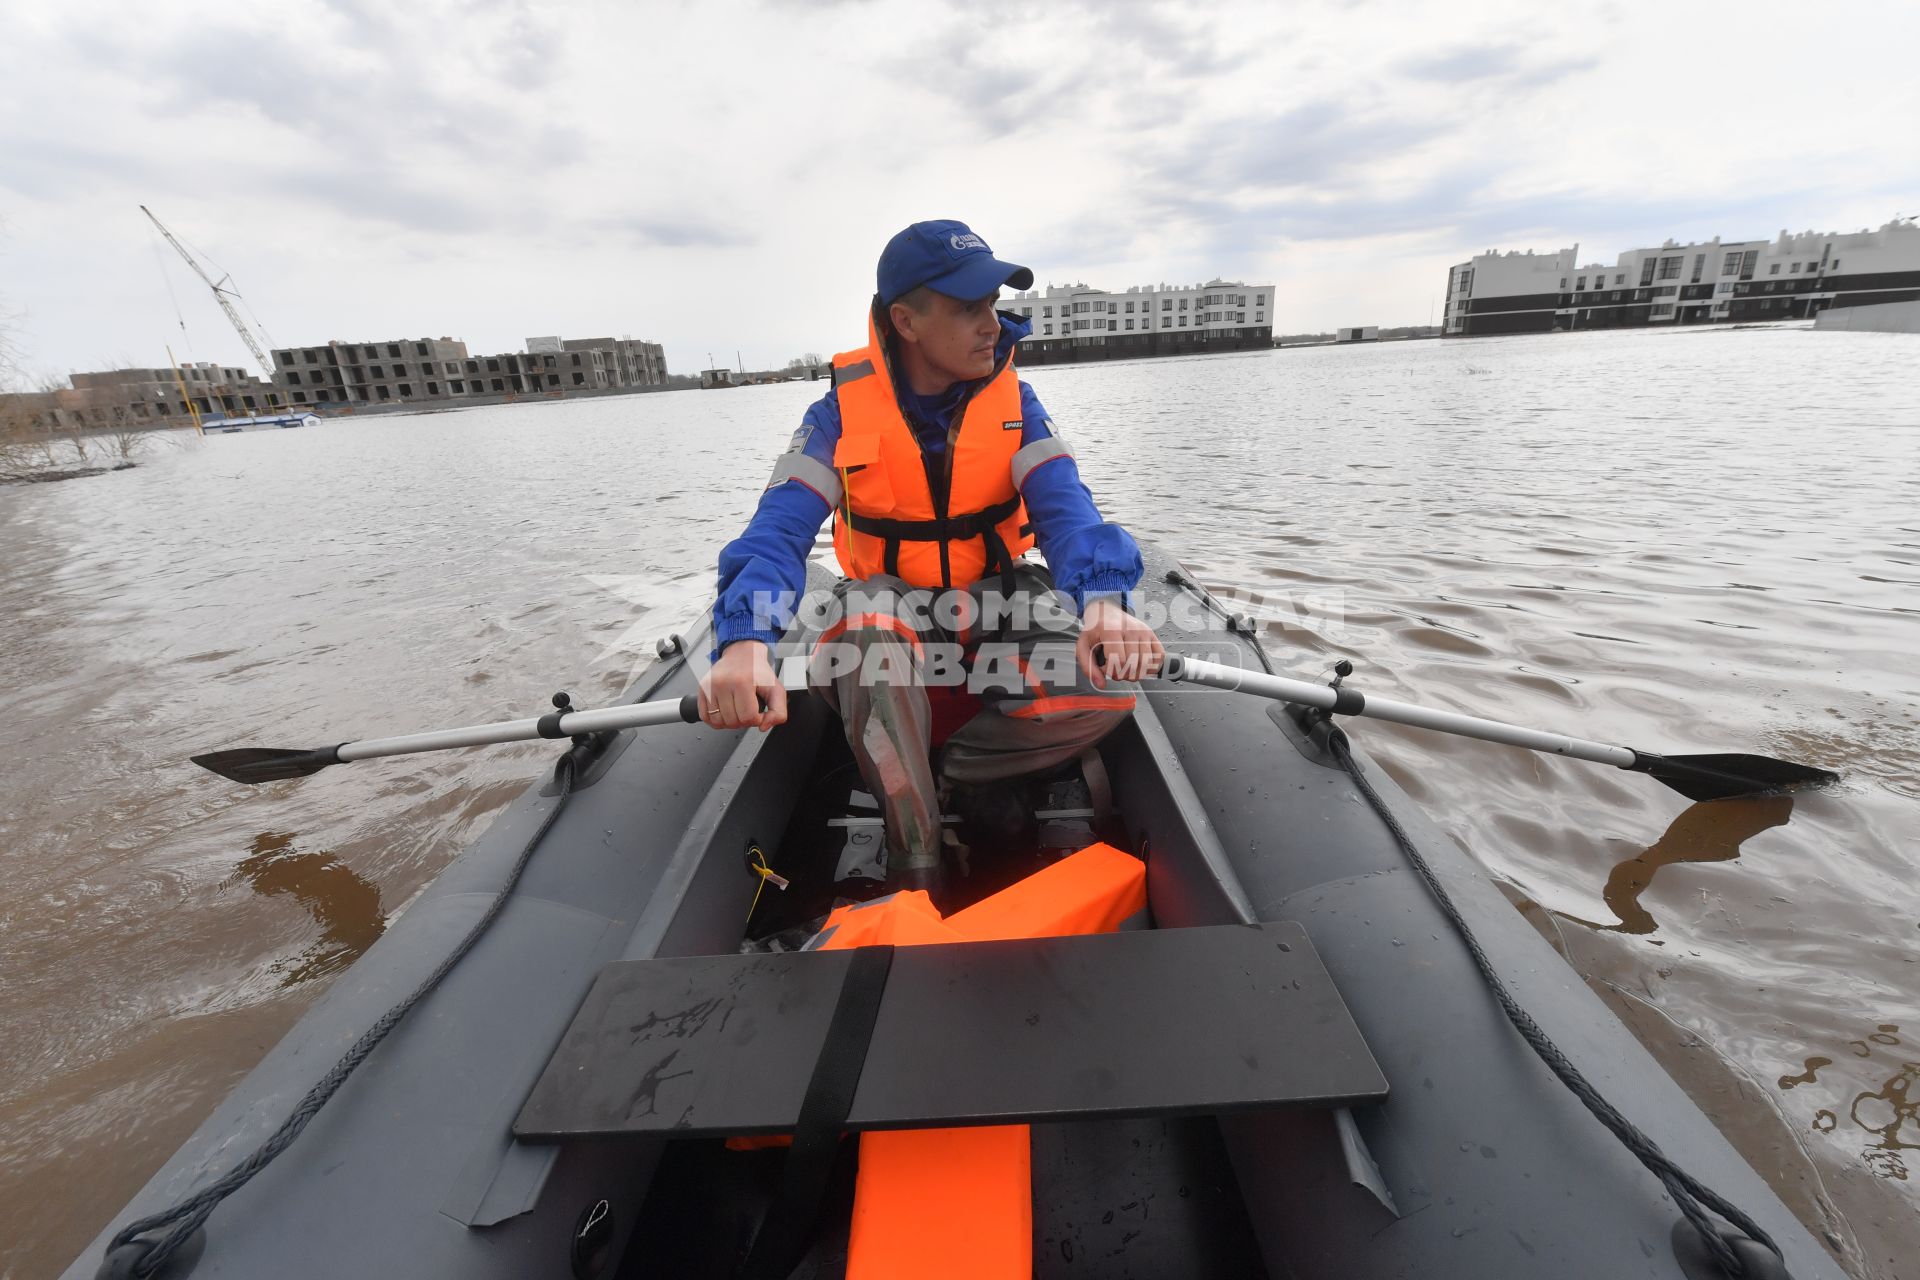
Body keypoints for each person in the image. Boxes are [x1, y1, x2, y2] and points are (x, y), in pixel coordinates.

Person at [700, 219, 1164, 894]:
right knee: (866, 628)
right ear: (906, 322)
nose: (992, 324)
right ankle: (916, 862)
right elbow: (777, 533)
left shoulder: (1018, 403)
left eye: (992, 305)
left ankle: (951, 771)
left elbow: (1067, 509)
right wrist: (743, 640)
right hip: (893, 605)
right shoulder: (836, 417)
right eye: (968, 308)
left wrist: (1103, 603)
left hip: (996, 595)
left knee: (1110, 687)